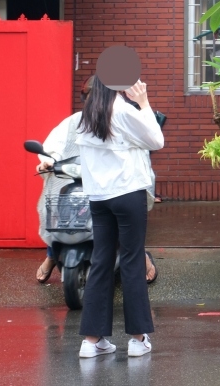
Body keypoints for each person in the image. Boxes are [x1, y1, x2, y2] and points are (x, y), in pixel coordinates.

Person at [36, 77, 159, 285]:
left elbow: (148, 146)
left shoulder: (123, 115)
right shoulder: (76, 120)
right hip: (80, 179)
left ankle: (142, 256)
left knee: (126, 227)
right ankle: (51, 252)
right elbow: (54, 143)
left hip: (114, 186)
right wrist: (48, 161)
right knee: (58, 214)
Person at [76, 76, 164, 358]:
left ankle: (91, 341)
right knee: (131, 260)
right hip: (128, 194)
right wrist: (144, 102)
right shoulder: (124, 111)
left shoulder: (86, 117)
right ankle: (138, 340)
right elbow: (156, 140)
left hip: (99, 198)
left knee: (101, 261)